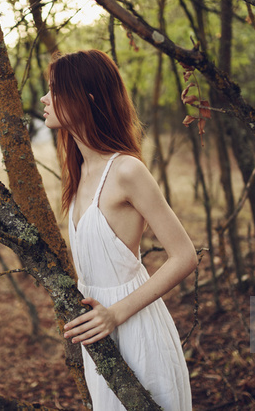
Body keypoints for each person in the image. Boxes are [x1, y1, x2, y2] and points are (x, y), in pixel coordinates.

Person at [40, 49, 197, 410]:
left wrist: (116, 313)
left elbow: (184, 255)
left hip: (136, 329)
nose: (45, 100)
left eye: (55, 90)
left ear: (87, 99)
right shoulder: (79, 174)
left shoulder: (126, 170)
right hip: (100, 338)